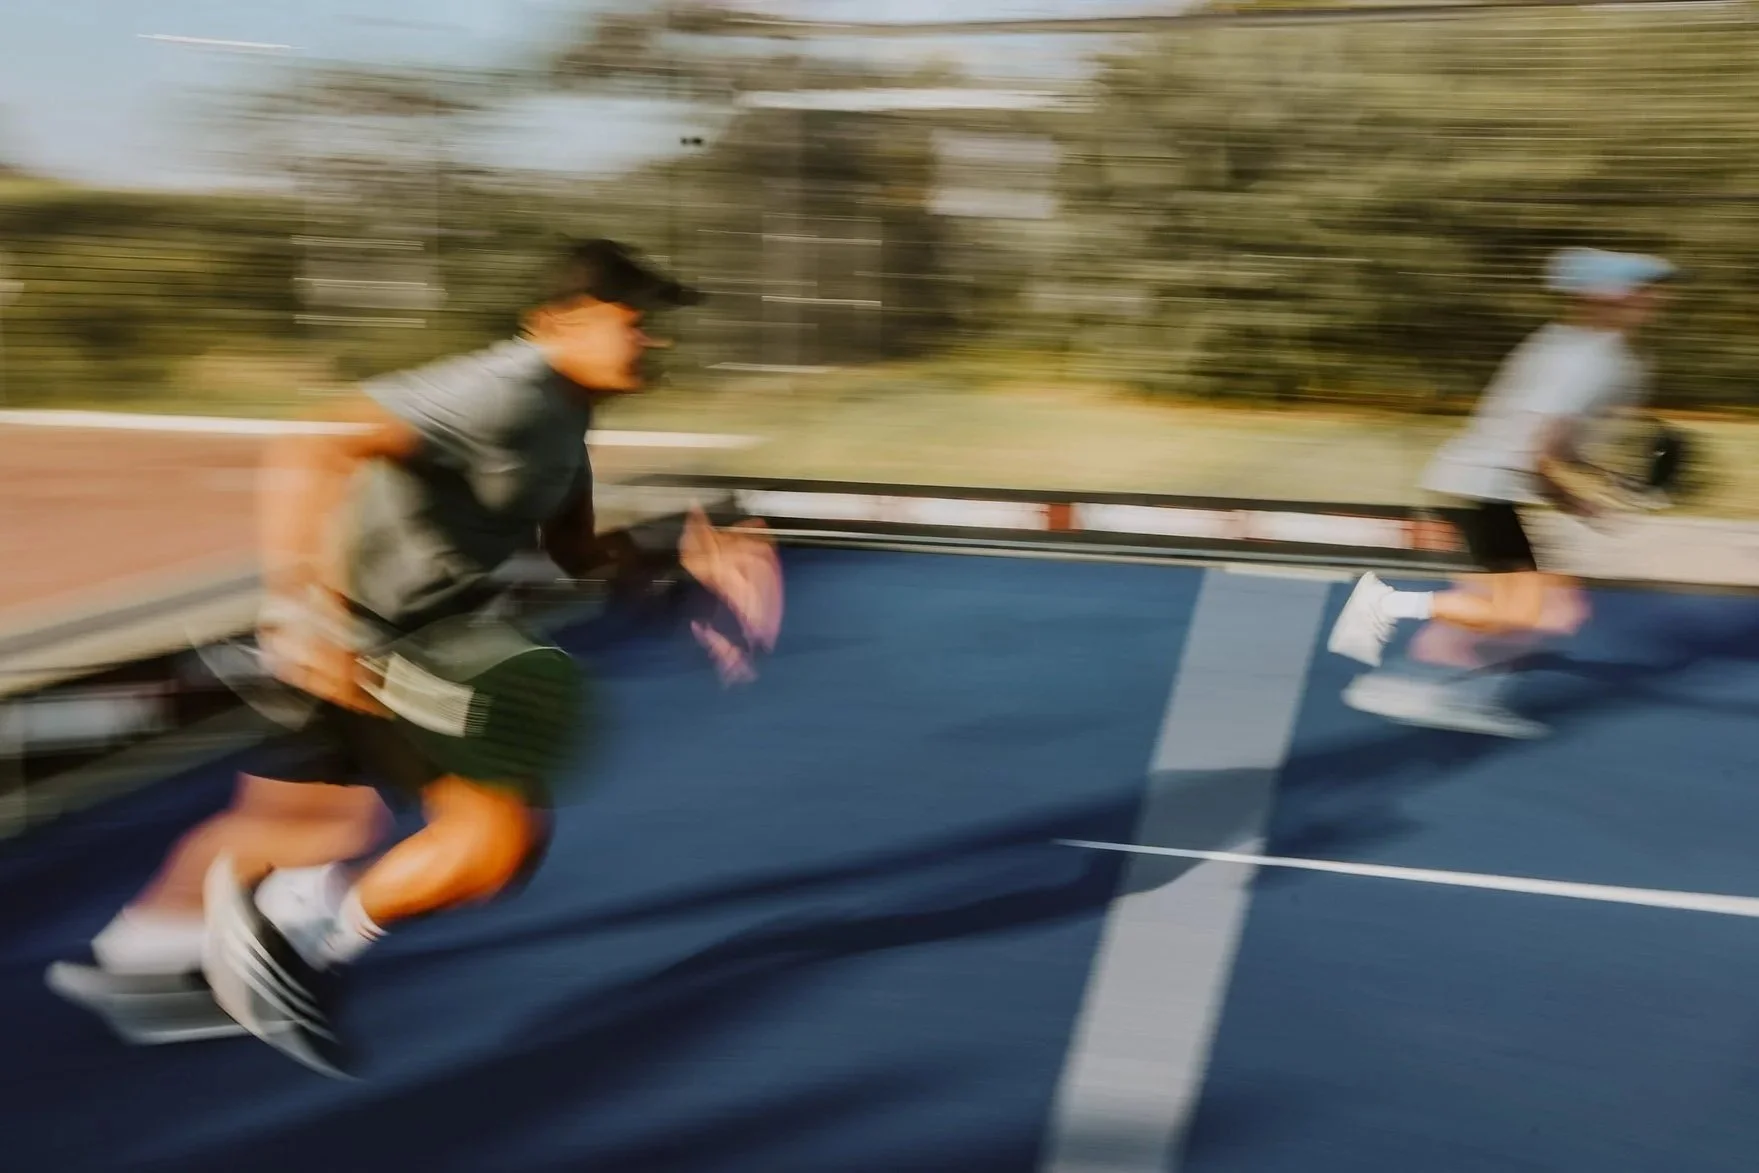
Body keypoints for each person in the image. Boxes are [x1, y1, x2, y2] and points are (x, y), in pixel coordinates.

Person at [59, 239, 782, 1076]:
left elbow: (576, 547)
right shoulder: (506, 390)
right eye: (634, 320)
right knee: (496, 842)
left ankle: (137, 962)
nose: (652, 338)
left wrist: (680, 567)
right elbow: (316, 442)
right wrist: (310, 615)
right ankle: (301, 938)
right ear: (564, 323)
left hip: (396, 630)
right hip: (377, 639)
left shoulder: (566, 410)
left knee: (304, 824)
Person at [1327, 247, 1677, 737]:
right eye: (1642, 290)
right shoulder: (1584, 360)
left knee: (1549, 610)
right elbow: (1538, 455)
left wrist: (1606, 478)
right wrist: (1581, 506)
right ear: (1606, 296)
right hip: (1481, 489)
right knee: (1525, 610)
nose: (1655, 299)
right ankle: (1396, 632)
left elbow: (1551, 446)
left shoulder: (1575, 346)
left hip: (1481, 485)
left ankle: (1452, 693)